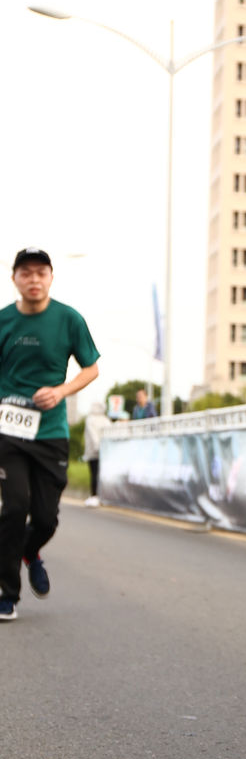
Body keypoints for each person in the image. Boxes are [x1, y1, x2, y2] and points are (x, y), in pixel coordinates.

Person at [0, 248, 100, 619]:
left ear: (51, 278)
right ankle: (7, 593)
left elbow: (91, 368)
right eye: (26, 273)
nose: (34, 279)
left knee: (45, 518)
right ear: (14, 279)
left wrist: (60, 392)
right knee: (14, 508)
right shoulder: (3, 321)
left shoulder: (69, 319)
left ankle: (30, 551)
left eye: (41, 273)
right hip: (9, 430)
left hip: (51, 431)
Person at [82, 400, 112, 506]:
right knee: (101, 474)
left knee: (94, 474)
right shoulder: (106, 420)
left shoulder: (90, 419)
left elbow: (93, 435)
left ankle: (94, 496)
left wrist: (97, 447)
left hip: (93, 451)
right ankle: (100, 496)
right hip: (105, 451)